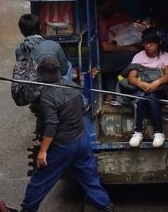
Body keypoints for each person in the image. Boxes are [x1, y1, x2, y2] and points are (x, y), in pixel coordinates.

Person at [20, 55, 113, 212]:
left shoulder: (47, 96)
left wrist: (42, 151)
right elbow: (84, 107)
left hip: (62, 145)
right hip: (82, 141)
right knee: (90, 178)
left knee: (41, 179)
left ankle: (28, 209)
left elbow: (52, 124)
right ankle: (106, 206)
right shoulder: (72, 86)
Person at [126, 31, 168, 148]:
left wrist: (157, 83)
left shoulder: (165, 56)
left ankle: (158, 132)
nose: (148, 46)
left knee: (152, 96)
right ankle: (138, 133)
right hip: (141, 89)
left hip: (159, 91)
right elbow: (131, 77)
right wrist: (140, 83)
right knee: (140, 97)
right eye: (146, 44)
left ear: (158, 44)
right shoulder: (138, 56)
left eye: (151, 44)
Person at [15, 14, 72, 81]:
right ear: (40, 27)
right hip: (52, 83)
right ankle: (66, 89)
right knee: (68, 64)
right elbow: (64, 70)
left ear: (22, 32)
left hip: (32, 85)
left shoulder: (19, 49)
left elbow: (23, 71)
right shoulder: (54, 45)